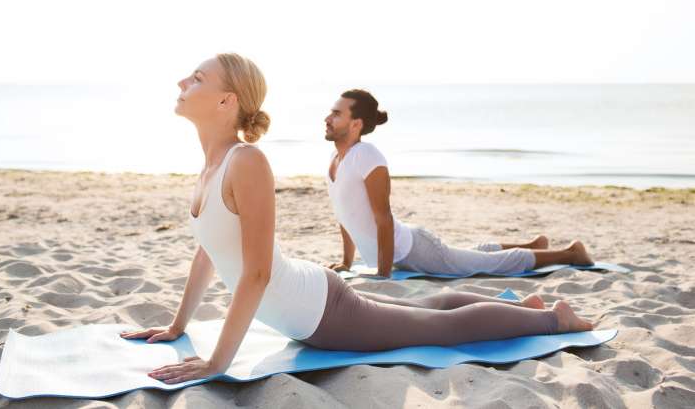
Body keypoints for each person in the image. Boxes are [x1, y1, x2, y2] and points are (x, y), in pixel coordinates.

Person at [119, 54, 593, 384]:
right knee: (422, 312)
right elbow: (212, 250)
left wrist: (218, 362)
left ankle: (554, 320)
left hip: (319, 314)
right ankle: (526, 309)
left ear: (227, 101)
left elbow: (257, 273)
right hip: (312, 295)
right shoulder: (211, 167)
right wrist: (179, 325)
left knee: (439, 330)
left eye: (197, 78)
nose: (183, 83)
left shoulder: (247, 162)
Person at [324, 89, 595, 278]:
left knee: (488, 265)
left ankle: (571, 253)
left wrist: (383, 275)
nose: (327, 118)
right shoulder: (336, 160)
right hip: (406, 252)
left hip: (413, 251)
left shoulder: (367, 156)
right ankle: (535, 243)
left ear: (356, 124)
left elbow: (383, 218)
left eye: (336, 114)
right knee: (467, 256)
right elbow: (345, 215)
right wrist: (347, 262)